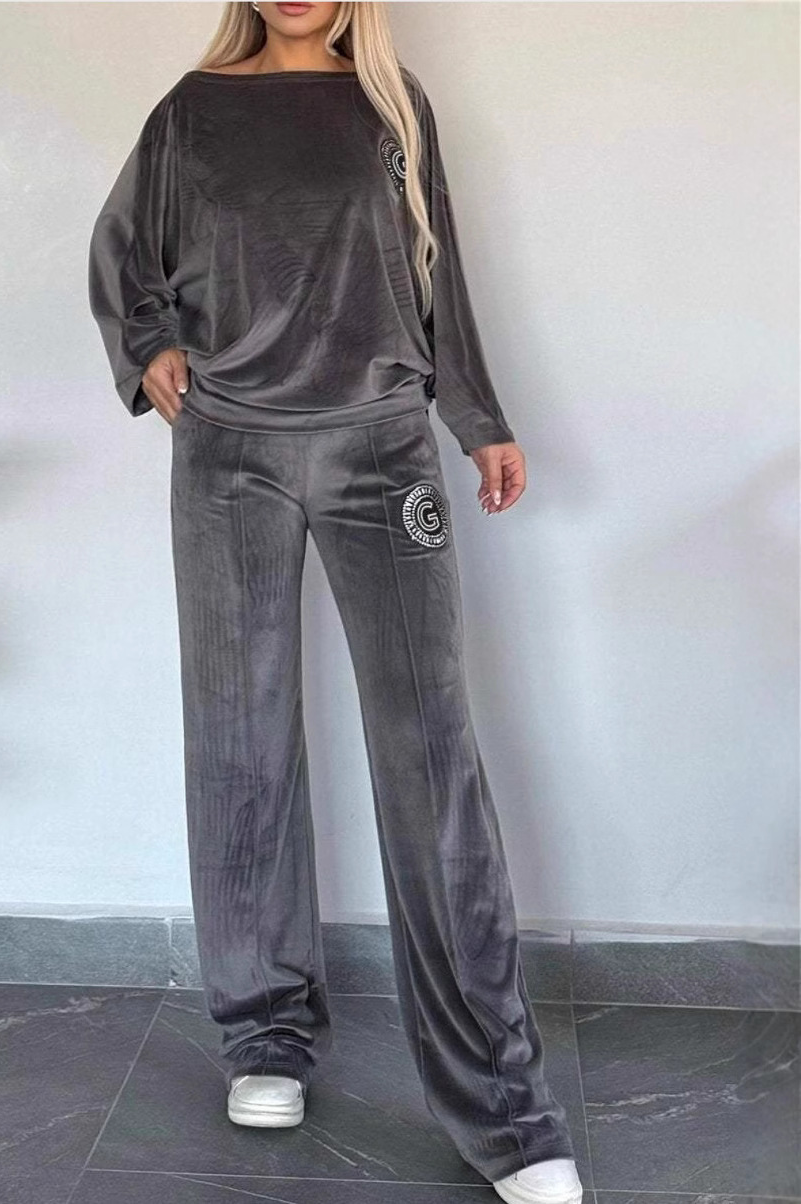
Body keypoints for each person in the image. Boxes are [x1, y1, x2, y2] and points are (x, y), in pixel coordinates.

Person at [87, 4, 583, 1202]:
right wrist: (148, 343)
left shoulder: (392, 108)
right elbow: (124, 251)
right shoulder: (192, 112)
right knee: (241, 742)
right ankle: (264, 1033)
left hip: (381, 451)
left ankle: (503, 1103)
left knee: (431, 756)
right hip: (228, 453)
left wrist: (478, 417)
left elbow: (436, 270)